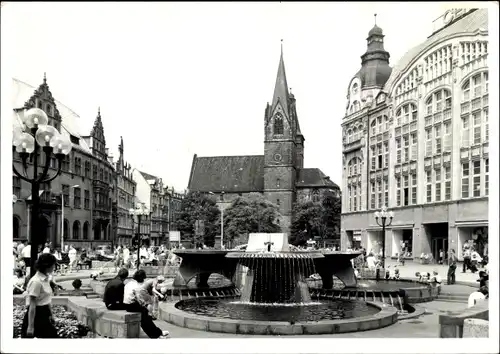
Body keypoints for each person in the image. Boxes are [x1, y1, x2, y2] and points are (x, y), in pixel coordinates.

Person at [21, 253, 59, 338]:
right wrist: (30, 327)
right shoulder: (36, 282)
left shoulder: (46, 279)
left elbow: (46, 299)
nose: (54, 267)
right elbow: (32, 305)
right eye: (53, 265)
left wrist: (51, 315)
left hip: (45, 313)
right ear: (47, 266)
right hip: (37, 315)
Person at [123, 270, 169, 338]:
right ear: (142, 278)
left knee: (145, 316)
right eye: (144, 278)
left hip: (126, 304)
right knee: (146, 317)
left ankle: (157, 333)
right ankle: (156, 335)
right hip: (131, 305)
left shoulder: (129, 283)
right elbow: (140, 299)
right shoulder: (137, 286)